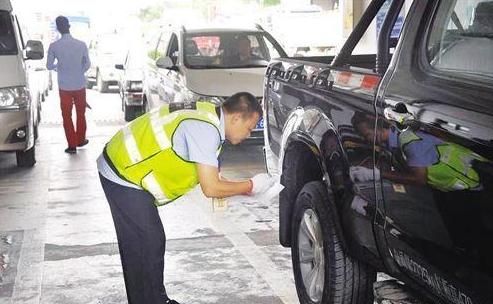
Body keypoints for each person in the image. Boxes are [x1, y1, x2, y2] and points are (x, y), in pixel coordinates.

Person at [97, 92, 276, 304]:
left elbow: (210, 176)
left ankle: (151, 299)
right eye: (249, 128)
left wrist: (245, 190)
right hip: (123, 172)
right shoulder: (205, 130)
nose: (248, 135)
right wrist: (253, 184)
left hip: (124, 166)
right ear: (236, 118)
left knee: (145, 242)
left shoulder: (208, 116)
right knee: (146, 242)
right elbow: (210, 187)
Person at [350, 112, 486, 192]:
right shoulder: (397, 135)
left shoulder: (408, 141)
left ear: (377, 127)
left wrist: (377, 174)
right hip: (467, 179)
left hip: (476, 180)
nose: (366, 140)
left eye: (366, 134)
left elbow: (419, 179)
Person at [46, 16, 91, 154]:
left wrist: (59, 66)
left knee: (66, 116)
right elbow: (87, 64)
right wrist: (78, 71)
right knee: (81, 113)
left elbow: (48, 66)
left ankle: (72, 145)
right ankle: (81, 139)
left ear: (58, 28)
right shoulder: (81, 44)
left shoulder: (54, 46)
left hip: (64, 86)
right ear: (69, 26)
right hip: (79, 85)